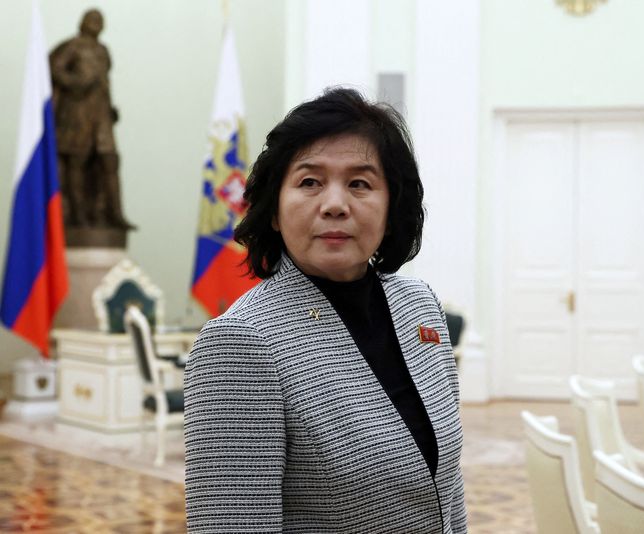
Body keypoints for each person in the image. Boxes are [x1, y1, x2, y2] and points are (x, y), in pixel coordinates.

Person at [184, 88, 467, 533]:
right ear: (274, 211)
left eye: (360, 183)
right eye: (310, 182)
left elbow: (448, 492)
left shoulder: (420, 307)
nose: (335, 204)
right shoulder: (241, 342)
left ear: (391, 208)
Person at [49, 9, 132, 229]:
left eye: (100, 20)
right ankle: (78, 214)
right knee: (76, 162)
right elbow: (53, 68)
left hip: (101, 115)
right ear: (83, 22)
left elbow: (104, 83)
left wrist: (110, 107)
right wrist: (75, 82)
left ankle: (115, 213)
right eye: (92, 19)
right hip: (77, 113)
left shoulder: (103, 50)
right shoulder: (72, 46)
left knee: (109, 160)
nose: (96, 23)